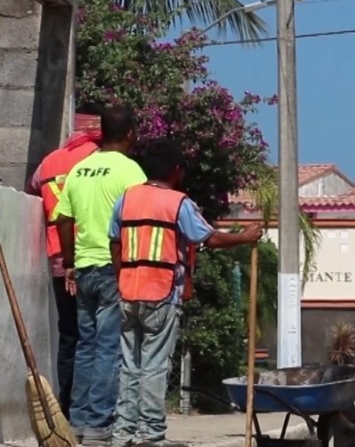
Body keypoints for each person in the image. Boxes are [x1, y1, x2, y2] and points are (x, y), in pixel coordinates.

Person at [108, 139, 262, 447]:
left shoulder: (126, 199)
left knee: (130, 365)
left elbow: (115, 241)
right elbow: (208, 238)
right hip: (161, 292)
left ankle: (123, 432)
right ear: (175, 172)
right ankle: (151, 434)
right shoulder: (178, 203)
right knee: (153, 365)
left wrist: (120, 276)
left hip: (128, 290)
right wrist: (244, 237)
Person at [57, 106, 148, 445]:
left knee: (86, 346)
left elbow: (63, 219)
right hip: (114, 267)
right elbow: (141, 216)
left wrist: (69, 259)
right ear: (129, 135)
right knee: (110, 347)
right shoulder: (131, 172)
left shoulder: (79, 170)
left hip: (83, 268)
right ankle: (97, 424)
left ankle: (78, 421)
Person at [24, 125, 102, 419]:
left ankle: (66, 408)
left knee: (69, 335)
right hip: (92, 254)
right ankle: (91, 411)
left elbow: (32, 191)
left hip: (59, 258)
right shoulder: (97, 160)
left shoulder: (49, 161)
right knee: (95, 337)